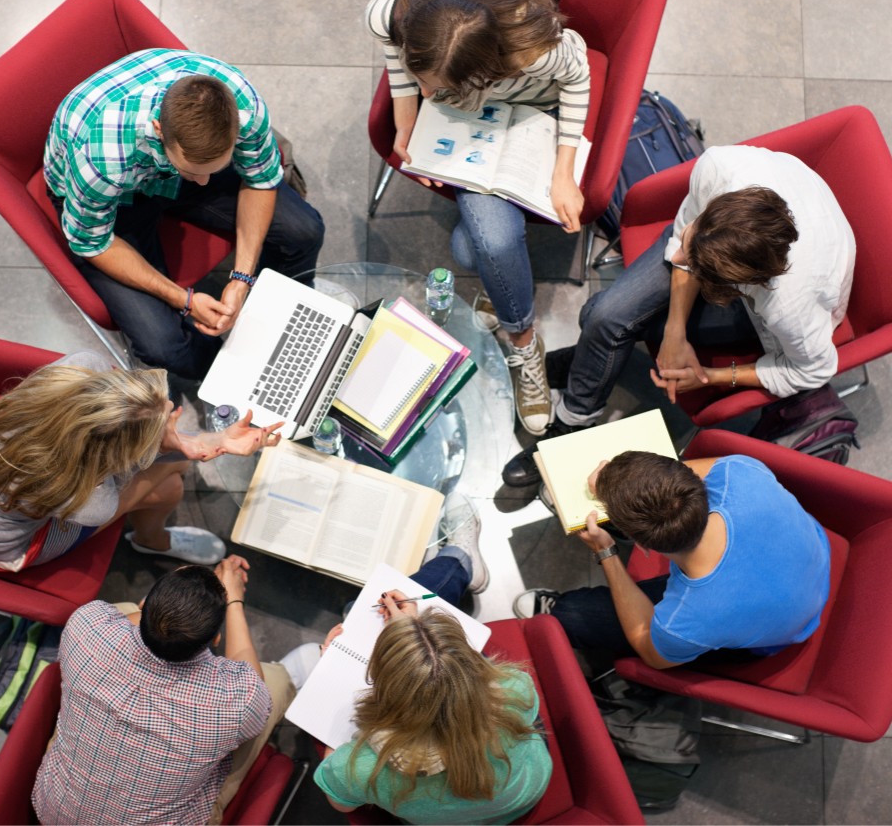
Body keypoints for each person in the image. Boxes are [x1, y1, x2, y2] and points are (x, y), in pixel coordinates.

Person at [503, 144, 856, 486]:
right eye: (695, 238)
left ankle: (574, 414)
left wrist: (712, 376)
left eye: (694, 264)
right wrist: (675, 331)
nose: (680, 261)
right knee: (603, 316)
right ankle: (582, 397)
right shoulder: (720, 168)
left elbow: (813, 369)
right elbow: (681, 244)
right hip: (739, 250)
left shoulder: (787, 305)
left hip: (777, 296)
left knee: (614, 328)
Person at [365, 0, 592, 436]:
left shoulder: (536, 48)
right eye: (423, 81)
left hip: (531, 111)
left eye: (437, 85)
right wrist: (407, 118)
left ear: (491, 68)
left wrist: (563, 171)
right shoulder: (390, 12)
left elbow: (579, 77)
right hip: (467, 124)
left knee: (484, 246)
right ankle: (511, 302)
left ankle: (523, 339)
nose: (426, 92)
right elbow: (395, 54)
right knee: (486, 248)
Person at [45, 48, 325, 382]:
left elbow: (260, 180)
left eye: (215, 168)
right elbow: (93, 243)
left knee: (305, 230)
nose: (205, 182)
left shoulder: (243, 105)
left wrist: (241, 279)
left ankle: (286, 315)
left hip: (163, 164)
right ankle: (231, 374)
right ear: (159, 130)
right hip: (117, 198)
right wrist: (185, 300)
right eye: (193, 171)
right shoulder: (101, 160)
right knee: (162, 346)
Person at [0, 351, 281, 571]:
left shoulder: (84, 366)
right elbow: (129, 475)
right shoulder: (90, 500)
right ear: (119, 457)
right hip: (3, 548)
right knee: (171, 480)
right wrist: (181, 450)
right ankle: (152, 541)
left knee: (173, 471)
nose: (172, 412)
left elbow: (130, 442)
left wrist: (212, 441)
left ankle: (153, 532)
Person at [313, 521, 550, 824]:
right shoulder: (516, 687)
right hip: (526, 790)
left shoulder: (362, 767)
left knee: (374, 602)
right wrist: (416, 633)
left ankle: (457, 560)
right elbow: (451, 678)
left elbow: (340, 804)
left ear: (380, 686)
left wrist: (329, 678)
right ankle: (458, 559)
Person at [33, 556, 296, 825]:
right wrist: (233, 602)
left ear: (145, 605)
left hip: (55, 810)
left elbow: (126, 617)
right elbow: (253, 686)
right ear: (215, 640)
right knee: (273, 683)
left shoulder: (85, 626)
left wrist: (172, 604)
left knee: (121, 608)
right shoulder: (234, 704)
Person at [513, 451, 831, 672]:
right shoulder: (741, 471)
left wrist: (605, 551)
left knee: (574, 614)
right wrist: (629, 483)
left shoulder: (685, 619)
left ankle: (558, 611)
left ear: (641, 545)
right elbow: (684, 474)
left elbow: (651, 652)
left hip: (782, 635)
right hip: (814, 564)